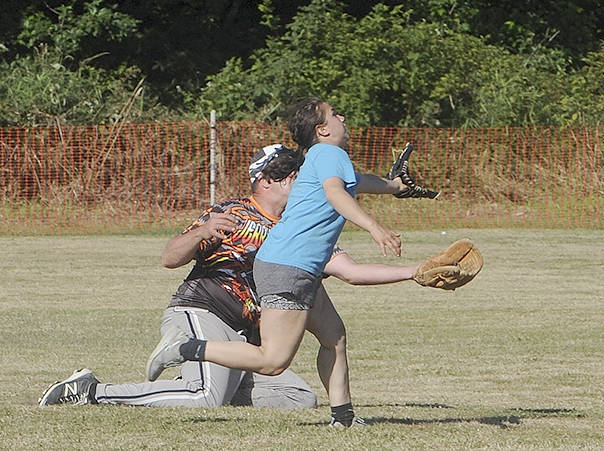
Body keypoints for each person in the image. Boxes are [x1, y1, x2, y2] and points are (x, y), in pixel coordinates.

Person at [39, 142, 418, 410]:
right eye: (290, 177)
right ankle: (91, 391)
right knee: (205, 397)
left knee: (298, 398)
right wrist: (200, 232)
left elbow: (350, 271)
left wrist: (415, 272)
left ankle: (210, 384)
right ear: (265, 182)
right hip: (204, 313)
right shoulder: (232, 213)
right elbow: (169, 258)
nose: (299, 182)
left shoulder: (298, 230)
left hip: (248, 338)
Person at [145, 98, 408, 428]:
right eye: (334, 114)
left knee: (334, 337)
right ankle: (186, 348)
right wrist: (374, 227)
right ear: (322, 129)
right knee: (272, 361)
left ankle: (343, 418)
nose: (343, 116)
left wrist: (396, 188)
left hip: (296, 267)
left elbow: (359, 184)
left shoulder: (318, 161)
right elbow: (336, 192)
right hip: (285, 269)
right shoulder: (328, 155)